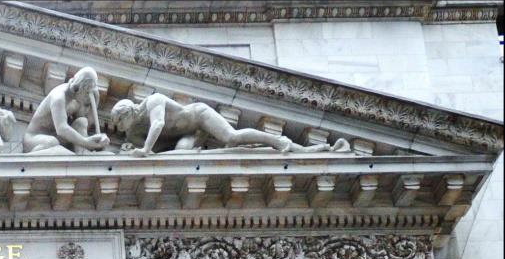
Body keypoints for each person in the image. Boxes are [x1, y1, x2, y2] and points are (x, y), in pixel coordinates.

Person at [110, 92, 349, 155]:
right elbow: (161, 150)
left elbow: (159, 124)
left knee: (231, 138)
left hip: (200, 117)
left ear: (126, 113)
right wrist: (134, 147)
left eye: (119, 125)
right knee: (181, 153)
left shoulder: (153, 101)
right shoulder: (134, 132)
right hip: (192, 137)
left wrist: (144, 150)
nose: (121, 131)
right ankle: (260, 150)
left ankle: (275, 140)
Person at [23, 65, 109, 155]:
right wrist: (86, 142)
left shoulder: (76, 100)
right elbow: (62, 129)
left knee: (81, 121)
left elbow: (85, 124)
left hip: (58, 137)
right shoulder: (59, 98)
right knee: (52, 142)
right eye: (87, 93)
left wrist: (98, 139)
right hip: (35, 138)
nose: (88, 97)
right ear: (78, 88)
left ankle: (82, 153)